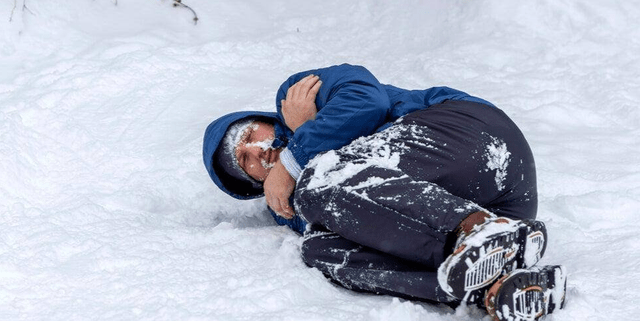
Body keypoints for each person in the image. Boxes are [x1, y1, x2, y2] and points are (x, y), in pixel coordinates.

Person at [203, 64, 567, 321]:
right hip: (504, 210)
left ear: (265, 119)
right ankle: (492, 284)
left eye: (250, 135)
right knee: (321, 249)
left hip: (469, 134)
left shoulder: (299, 93)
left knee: (319, 182)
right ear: (253, 184)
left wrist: (297, 152)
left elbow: (367, 100)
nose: (258, 149)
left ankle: (476, 229)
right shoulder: (290, 201)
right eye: (245, 160)